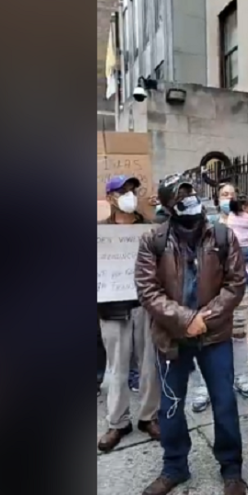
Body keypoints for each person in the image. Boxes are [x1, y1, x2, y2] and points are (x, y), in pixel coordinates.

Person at [134, 176, 247, 495]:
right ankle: (174, 466)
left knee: (224, 402)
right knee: (170, 406)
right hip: (172, 337)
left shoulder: (222, 235)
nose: (191, 199)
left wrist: (205, 319)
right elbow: (148, 291)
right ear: (168, 206)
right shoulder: (152, 240)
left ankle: (231, 469)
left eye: (194, 193)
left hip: (215, 337)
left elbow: (236, 283)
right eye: (182, 196)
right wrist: (185, 320)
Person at [97, 175, 161, 452]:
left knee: (150, 364)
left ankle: (149, 416)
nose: (129, 195)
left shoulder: (149, 228)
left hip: (146, 306)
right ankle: (118, 422)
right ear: (110, 197)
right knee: (117, 367)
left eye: (132, 190)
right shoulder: (98, 232)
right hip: (111, 308)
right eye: (122, 191)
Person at [190, 182, 248, 411]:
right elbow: (200, 252)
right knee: (204, 335)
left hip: (242, 287)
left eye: (232, 194)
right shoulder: (207, 224)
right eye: (224, 195)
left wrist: (226, 249)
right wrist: (234, 249)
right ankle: (202, 389)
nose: (228, 198)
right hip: (211, 290)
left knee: (239, 335)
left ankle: (241, 377)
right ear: (217, 199)